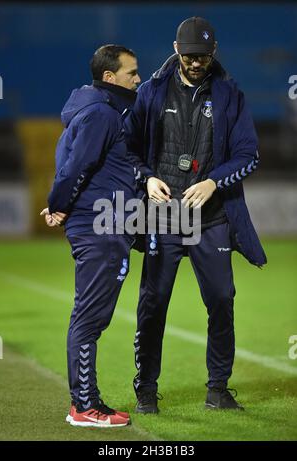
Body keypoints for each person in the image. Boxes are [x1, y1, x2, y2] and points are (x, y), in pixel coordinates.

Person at [124, 16, 267, 413]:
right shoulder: (151, 92)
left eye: (202, 56)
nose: (196, 62)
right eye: (189, 56)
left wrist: (214, 183)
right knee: (153, 305)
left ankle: (218, 389)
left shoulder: (230, 95)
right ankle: (147, 391)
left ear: (214, 53)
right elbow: (127, 149)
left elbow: (248, 154)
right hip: (162, 219)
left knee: (222, 299)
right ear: (176, 50)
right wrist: (148, 178)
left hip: (213, 218)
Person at [40, 44, 141, 427]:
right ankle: (83, 407)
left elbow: (71, 166)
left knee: (90, 317)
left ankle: (87, 401)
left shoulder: (90, 111)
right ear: (110, 77)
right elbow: (76, 167)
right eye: (132, 73)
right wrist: (59, 203)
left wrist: (58, 205)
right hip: (101, 227)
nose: (139, 79)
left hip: (103, 223)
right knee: (89, 318)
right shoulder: (101, 113)